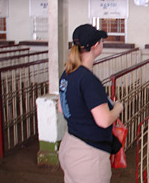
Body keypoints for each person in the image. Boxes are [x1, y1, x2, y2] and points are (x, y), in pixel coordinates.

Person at [57, 24, 124, 183]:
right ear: (95, 45)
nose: (102, 43)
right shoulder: (88, 80)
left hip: (69, 145)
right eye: (101, 41)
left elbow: (61, 108)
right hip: (88, 155)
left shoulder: (67, 73)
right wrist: (117, 108)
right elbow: (104, 120)